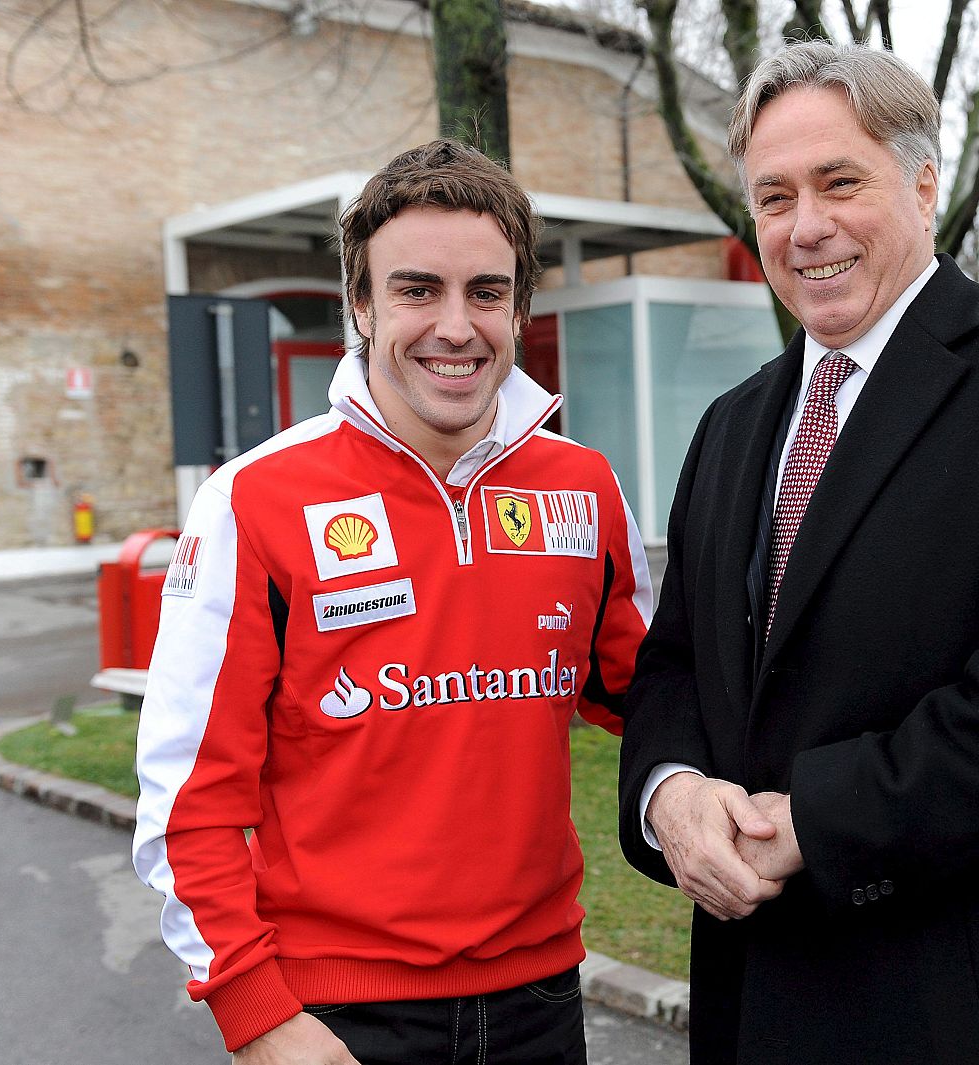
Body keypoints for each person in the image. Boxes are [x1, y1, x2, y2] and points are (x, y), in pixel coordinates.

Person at [617, 41, 979, 1065]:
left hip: (956, 1000)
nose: (808, 226)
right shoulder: (732, 424)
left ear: (924, 185)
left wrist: (821, 821)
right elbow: (678, 664)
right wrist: (669, 794)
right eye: (775, 197)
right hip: (754, 1000)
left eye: (841, 182)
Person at [133, 140, 652, 1064]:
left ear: (518, 306)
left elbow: (650, 697)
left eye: (486, 292)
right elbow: (188, 800)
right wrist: (257, 1012)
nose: (455, 326)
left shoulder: (586, 487)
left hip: (542, 999)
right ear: (363, 305)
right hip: (335, 1016)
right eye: (417, 290)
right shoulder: (255, 500)